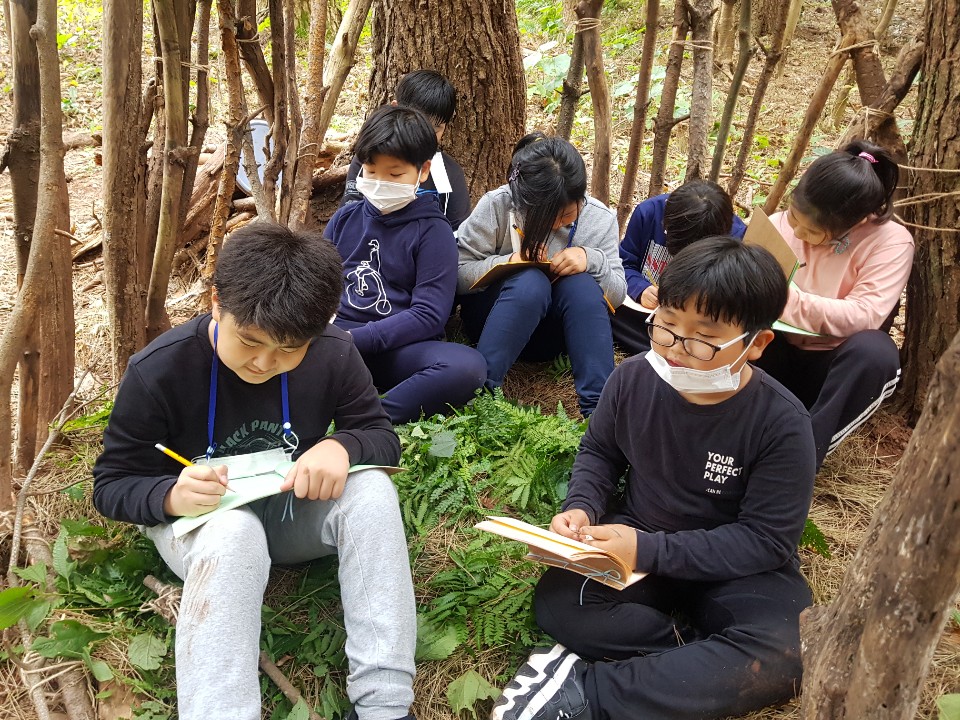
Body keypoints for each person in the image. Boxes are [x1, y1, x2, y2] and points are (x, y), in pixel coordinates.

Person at [93, 223, 417, 720]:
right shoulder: (158, 370)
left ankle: (385, 706)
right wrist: (170, 495)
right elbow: (112, 484)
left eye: (289, 349)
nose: (264, 363)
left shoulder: (333, 351)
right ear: (216, 302)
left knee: (372, 489)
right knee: (235, 532)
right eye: (249, 341)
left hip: (287, 508)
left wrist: (342, 445)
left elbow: (379, 435)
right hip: (205, 526)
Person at [491, 236, 817, 720]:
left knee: (787, 651)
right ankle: (696, 659)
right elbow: (600, 453)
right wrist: (582, 506)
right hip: (639, 538)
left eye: (703, 338)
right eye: (666, 325)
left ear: (756, 344)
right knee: (561, 604)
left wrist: (647, 550)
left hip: (737, 567)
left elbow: (766, 540)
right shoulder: (632, 379)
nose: (676, 350)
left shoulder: (782, 423)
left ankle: (586, 693)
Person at [753, 140, 914, 469]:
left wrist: (783, 299)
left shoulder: (891, 242)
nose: (797, 232)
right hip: (770, 353)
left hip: (831, 371)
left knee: (875, 351)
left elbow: (864, 315)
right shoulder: (781, 224)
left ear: (855, 222)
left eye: (812, 231)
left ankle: (799, 462)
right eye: (794, 217)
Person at [326, 104, 487, 424]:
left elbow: (428, 315)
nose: (379, 182)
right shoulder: (344, 218)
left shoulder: (434, 232)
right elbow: (317, 285)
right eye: (371, 171)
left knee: (466, 368)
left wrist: (354, 339)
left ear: (423, 171)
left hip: (396, 350)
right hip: (335, 342)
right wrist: (322, 334)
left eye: (395, 174)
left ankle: (370, 419)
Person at [456, 133, 627, 417]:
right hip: (493, 321)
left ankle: (600, 412)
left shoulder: (599, 219)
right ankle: (481, 395)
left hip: (557, 335)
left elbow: (618, 295)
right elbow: (457, 274)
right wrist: (510, 262)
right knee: (530, 281)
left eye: (566, 216)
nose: (556, 224)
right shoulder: (498, 205)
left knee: (581, 285)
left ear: (581, 198)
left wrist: (591, 260)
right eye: (544, 215)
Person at [612, 179, 747, 354]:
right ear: (665, 223)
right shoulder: (649, 213)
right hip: (644, 314)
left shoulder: (737, 238)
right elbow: (622, 263)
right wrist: (640, 289)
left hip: (693, 328)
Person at [341, 70, 471, 231]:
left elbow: (457, 232)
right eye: (417, 123)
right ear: (395, 108)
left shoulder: (448, 173)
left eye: (435, 130)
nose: (424, 135)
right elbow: (348, 216)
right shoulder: (370, 159)